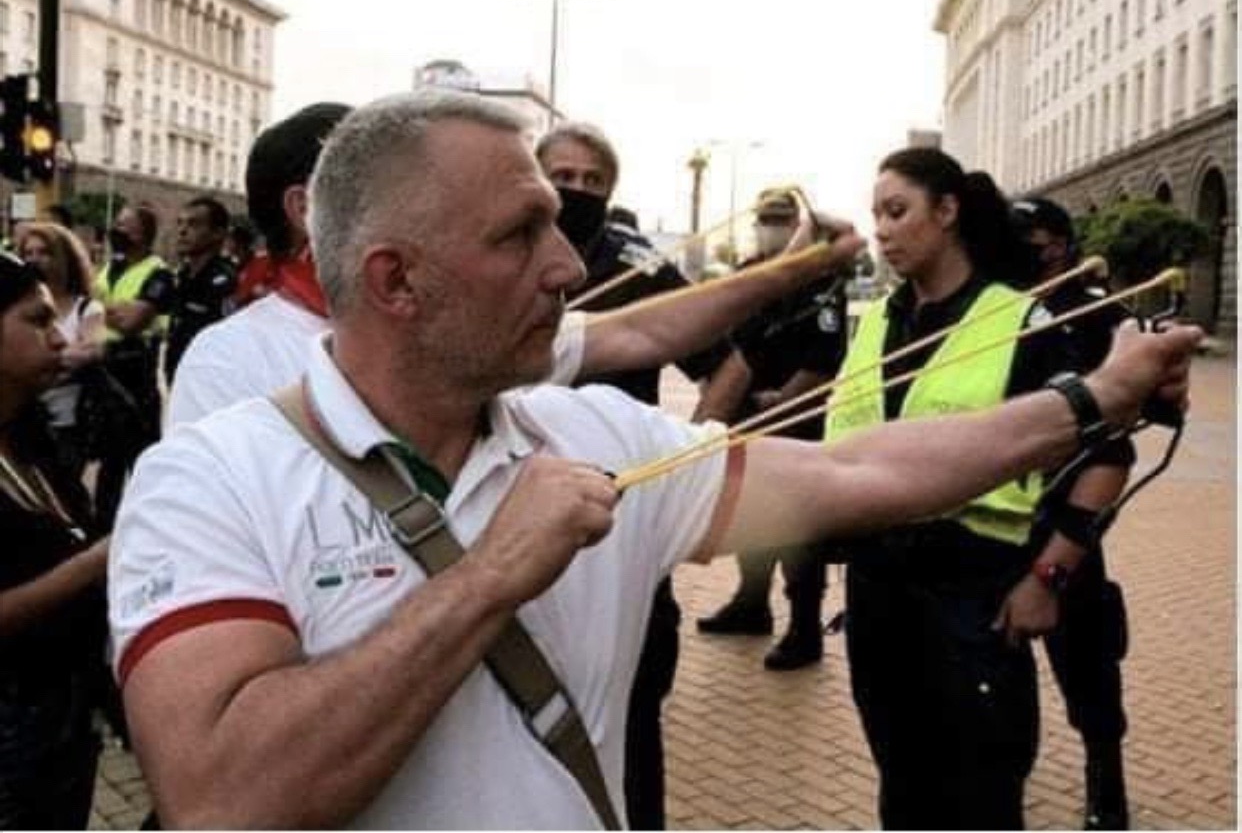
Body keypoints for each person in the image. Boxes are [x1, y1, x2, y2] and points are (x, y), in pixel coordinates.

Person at [108, 92, 1198, 830]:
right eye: (520, 234)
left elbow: (858, 474)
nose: (566, 265)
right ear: (397, 280)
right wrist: (491, 577)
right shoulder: (206, 479)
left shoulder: (595, 436)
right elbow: (224, 801)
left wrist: (1092, 398)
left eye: (560, 223)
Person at [169, 102, 859, 429]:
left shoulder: (466, 324)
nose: (562, 271)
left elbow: (640, 331)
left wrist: (788, 271)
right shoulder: (230, 363)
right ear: (307, 207)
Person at [826, 148, 1137, 830]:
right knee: (902, 792)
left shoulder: (1020, 323)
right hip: (879, 599)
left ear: (947, 211)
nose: (882, 230)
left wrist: (1049, 578)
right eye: (876, 214)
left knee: (981, 800)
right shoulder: (875, 322)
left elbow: (1108, 455)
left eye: (897, 211)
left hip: (974, 602)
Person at [536, 120, 733, 829]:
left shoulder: (639, 262)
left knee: (637, 708)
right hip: (516, 503)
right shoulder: (499, 249)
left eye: (593, 181)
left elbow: (727, 362)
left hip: (621, 512)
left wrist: (681, 457)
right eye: (563, 178)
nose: (577, 191)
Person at [1013, 196, 1134, 830]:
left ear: (1058, 244)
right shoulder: (993, 307)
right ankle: (1002, 777)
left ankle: (1105, 781)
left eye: (1030, 238)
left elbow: (1119, 435)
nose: (1020, 250)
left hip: (1067, 515)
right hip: (994, 520)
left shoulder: (1096, 313)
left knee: (1086, 659)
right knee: (994, 664)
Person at [696, 188, 850, 671]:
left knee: (797, 531)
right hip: (746, 417)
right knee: (751, 515)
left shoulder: (821, 283)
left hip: (793, 422)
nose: (772, 228)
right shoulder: (751, 276)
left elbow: (823, 362)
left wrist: (781, 403)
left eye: (782, 220)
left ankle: (804, 629)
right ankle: (751, 602)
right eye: (766, 219)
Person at [0, 251, 110, 829]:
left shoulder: (29, 433)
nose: (60, 337)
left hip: (62, 723)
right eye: (37, 320)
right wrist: (94, 563)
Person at [93, 204, 174, 532]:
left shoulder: (159, 274)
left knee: (143, 463)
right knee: (108, 464)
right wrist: (112, 310)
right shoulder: (111, 267)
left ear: (143, 233)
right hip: (104, 371)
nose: (116, 229)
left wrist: (98, 308)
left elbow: (131, 323)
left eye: (124, 224)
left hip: (135, 375)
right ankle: (101, 532)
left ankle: (151, 530)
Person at [15, 223, 106, 476]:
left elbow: (92, 350)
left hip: (66, 427)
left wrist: (33, 363)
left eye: (44, 252)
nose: (34, 260)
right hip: (21, 420)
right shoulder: (16, 306)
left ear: (63, 258)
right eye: (28, 253)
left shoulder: (87, 308)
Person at [165, 196, 238, 383]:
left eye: (193, 224)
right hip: (179, 376)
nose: (182, 231)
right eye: (180, 223)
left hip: (208, 380)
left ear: (218, 233)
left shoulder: (224, 282)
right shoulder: (183, 275)